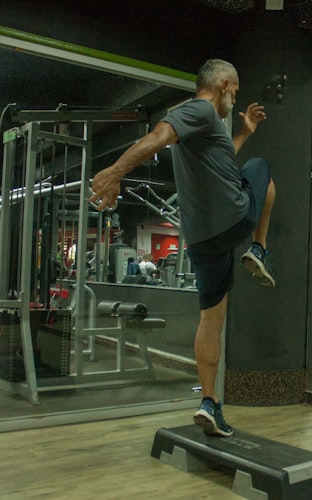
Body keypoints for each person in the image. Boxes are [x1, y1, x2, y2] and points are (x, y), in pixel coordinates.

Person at [91, 59, 276, 437]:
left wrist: (244, 133)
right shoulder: (200, 110)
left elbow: (223, 165)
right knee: (262, 169)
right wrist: (115, 171)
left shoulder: (205, 129)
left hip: (203, 238)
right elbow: (159, 135)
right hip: (235, 218)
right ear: (223, 85)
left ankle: (209, 402)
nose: (234, 99)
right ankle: (259, 248)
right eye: (235, 92)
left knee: (212, 319)